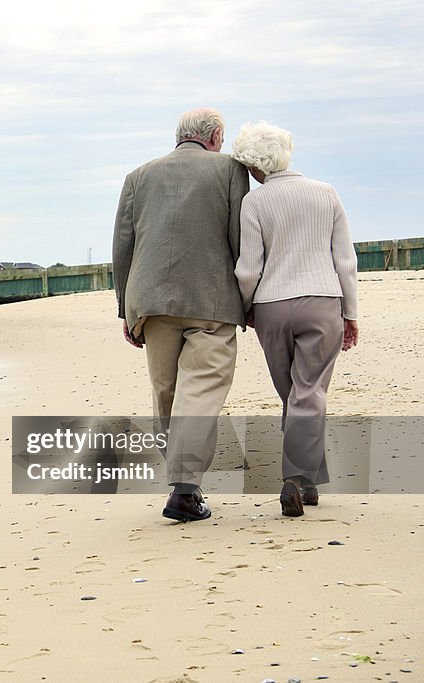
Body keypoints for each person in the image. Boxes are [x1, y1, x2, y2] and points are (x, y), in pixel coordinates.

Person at [113, 108, 250, 522]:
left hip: (150, 302)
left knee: (166, 392)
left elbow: (123, 244)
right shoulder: (229, 170)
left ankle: (182, 482)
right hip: (211, 299)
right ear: (215, 136)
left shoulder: (138, 175)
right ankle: (185, 489)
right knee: (202, 388)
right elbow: (239, 236)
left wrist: (125, 307)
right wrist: (248, 298)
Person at [231, 121, 359, 517]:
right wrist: (351, 313)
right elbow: (345, 261)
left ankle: (306, 482)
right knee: (309, 393)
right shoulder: (326, 193)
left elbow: (248, 268)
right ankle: (297, 479)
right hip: (323, 301)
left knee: (294, 394)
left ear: (254, 167)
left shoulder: (254, 203)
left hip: (271, 306)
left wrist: (247, 306)